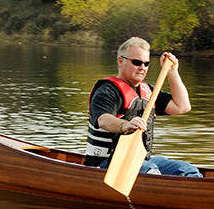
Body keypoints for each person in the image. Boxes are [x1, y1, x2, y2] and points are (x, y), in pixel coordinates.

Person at [84, 37, 201, 177]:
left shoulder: (149, 92)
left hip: (140, 160)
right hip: (104, 162)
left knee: (188, 170)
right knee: (151, 171)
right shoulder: (107, 90)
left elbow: (182, 106)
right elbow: (103, 120)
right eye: (137, 62)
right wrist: (126, 125)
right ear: (120, 61)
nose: (142, 68)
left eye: (146, 63)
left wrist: (172, 72)